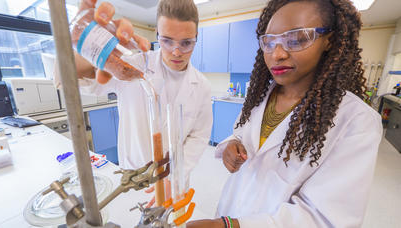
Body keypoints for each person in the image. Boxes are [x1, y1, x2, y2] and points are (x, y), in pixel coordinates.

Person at [187, 0, 382, 227]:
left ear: (329, 41)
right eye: (269, 42)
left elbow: (324, 218)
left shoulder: (356, 121)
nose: (277, 54)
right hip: (231, 210)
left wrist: (234, 226)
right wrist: (232, 145)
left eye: (297, 39)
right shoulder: (259, 96)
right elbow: (241, 133)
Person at [56, 0, 212, 197]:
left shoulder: (202, 86)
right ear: (157, 34)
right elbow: (69, 80)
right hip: (133, 180)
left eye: (186, 43)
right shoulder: (131, 65)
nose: (176, 51)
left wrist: (174, 177)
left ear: (196, 38)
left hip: (175, 182)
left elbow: (198, 136)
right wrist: (82, 44)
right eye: (167, 40)